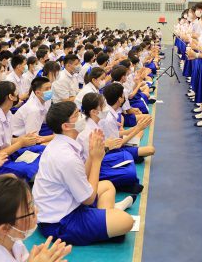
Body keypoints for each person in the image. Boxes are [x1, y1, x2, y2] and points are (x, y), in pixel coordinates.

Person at [32, 101, 135, 246]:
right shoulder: (66, 157)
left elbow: (83, 177)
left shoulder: (61, 143)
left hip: (67, 203)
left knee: (107, 186)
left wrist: (92, 155)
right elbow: (88, 199)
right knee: (126, 221)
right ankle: (108, 220)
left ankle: (106, 220)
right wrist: (97, 160)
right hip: (60, 221)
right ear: (66, 126)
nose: (82, 117)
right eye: (77, 115)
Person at [0, 81, 43, 181]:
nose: (18, 95)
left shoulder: (7, 114)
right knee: (29, 169)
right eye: (16, 92)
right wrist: (21, 143)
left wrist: (24, 138)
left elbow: (6, 141)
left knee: (41, 149)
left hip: (5, 154)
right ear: (11, 97)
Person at [77, 93, 142, 193]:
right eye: (103, 106)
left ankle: (124, 182)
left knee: (126, 155)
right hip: (92, 167)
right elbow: (92, 162)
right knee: (130, 173)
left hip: (101, 158)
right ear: (94, 112)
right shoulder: (88, 133)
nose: (106, 108)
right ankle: (121, 184)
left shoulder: (96, 122)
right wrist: (107, 147)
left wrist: (108, 145)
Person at [101, 83, 154, 162]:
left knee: (140, 133)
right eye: (123, 95)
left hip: (115, 141)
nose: (124, 97)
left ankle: (134, 151)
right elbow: (117, 145)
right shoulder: (109, 119)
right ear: (119, 99)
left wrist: (137, 128)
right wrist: (136, 129)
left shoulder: (111, 111)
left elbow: (116, 134)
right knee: (150, 150)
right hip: (112, 151)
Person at [11, 77, 54, 143]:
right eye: (47, 89)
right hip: (18, 139)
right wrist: (54, 137)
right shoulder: (33, 110)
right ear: (37, 93)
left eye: (50, 88)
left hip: (31, 132)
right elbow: (32, 139)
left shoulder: (43, 100)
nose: (50, 91)